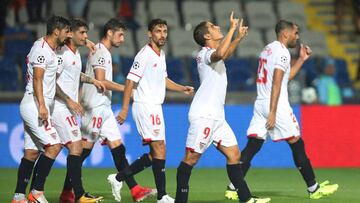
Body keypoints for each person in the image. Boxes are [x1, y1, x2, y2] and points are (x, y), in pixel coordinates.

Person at [224, 20, 339, 201]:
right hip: (275, 105)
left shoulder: (268, 49)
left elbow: (284, 78)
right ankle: (314, 188)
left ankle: (233, 187)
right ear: (285, 34)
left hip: (261, 101)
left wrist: (301, 59)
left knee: (253, 145)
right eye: (296, 32)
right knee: (296, 142)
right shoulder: (283, 53)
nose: (297, 37)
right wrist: (273, 111)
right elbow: (277, 82)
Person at [174, 13, 270, 203]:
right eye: (212, 26)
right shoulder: (204, 54)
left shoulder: (214, 55)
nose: (217, 26)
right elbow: (219, 54)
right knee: (191, 159)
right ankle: (180, 200)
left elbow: (224, 54)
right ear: (207, 36)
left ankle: (246, 199)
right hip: (204, 115)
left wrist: (237, 38)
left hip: (217, 117)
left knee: (234, 155)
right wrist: (233, 29)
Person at [112, 18, 194, 203]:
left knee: (157, 152)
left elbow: (164, 79)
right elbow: (130, 81)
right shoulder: (144, 55)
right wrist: (124, 108)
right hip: (145, 105)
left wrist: (182, 88)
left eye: (165, 31)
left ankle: (119, 178)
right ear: (150, 34)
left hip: (155, 106)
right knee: (160, 149)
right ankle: (162, 196)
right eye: (158, 31)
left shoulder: (160, 54)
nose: (162, 35)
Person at [79, 18, 156, 202]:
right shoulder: (100, 52)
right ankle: (68, 191)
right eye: (120, 34)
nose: (122, 39)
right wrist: (127, 89)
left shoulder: (103, 52)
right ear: (109, 33)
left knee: (118, 149)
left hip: (104, 107)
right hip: (94, 107)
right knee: (82, 152)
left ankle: (135, 190)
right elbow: (101, 82)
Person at [11, 15, 70, 203]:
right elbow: (37, 78)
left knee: (31, 152)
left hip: (35, 104)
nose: (68, 35)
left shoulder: (45, 46)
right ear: (56, 31)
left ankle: (19, 196)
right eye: (66, 31)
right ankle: (36, 192)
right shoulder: (42, 50)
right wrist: (43, 105)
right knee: (54, 146)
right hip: (35, 104)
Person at [53, 18, 106, 203]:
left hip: (66, 107)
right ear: (70, 34)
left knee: (46, 152)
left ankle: (37, 192)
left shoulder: (74, 54)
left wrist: (93, 80)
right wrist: (69, 101)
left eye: (86, 33)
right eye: (82, 33)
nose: (86, 36)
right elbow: (51, 81)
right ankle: (79, 194)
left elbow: (75, 75)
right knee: (76, 146)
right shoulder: (62, 54)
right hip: (58, 106)